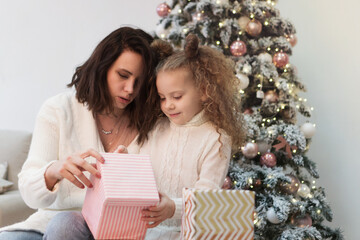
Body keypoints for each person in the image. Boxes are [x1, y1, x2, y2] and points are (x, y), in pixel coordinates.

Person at [0, 26, 159, 240]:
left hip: (116, 230)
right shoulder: (58, 109)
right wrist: (54, 171)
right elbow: (29, 194)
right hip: (49, 225)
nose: (130, 89)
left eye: (139, 82)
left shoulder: (149, 123)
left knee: (65, 225)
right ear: (102, 68)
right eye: (123, 75)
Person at [140, 34, 246, 238]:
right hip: (145, 229)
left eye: (177, 97)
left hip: (187, 232)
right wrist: (123, 156)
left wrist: (174, 208)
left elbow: (207, 196)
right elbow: (138, 167)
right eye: (162, 98)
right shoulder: (158, 128)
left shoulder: (215, 138)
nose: (168, 105)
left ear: (204, 91)